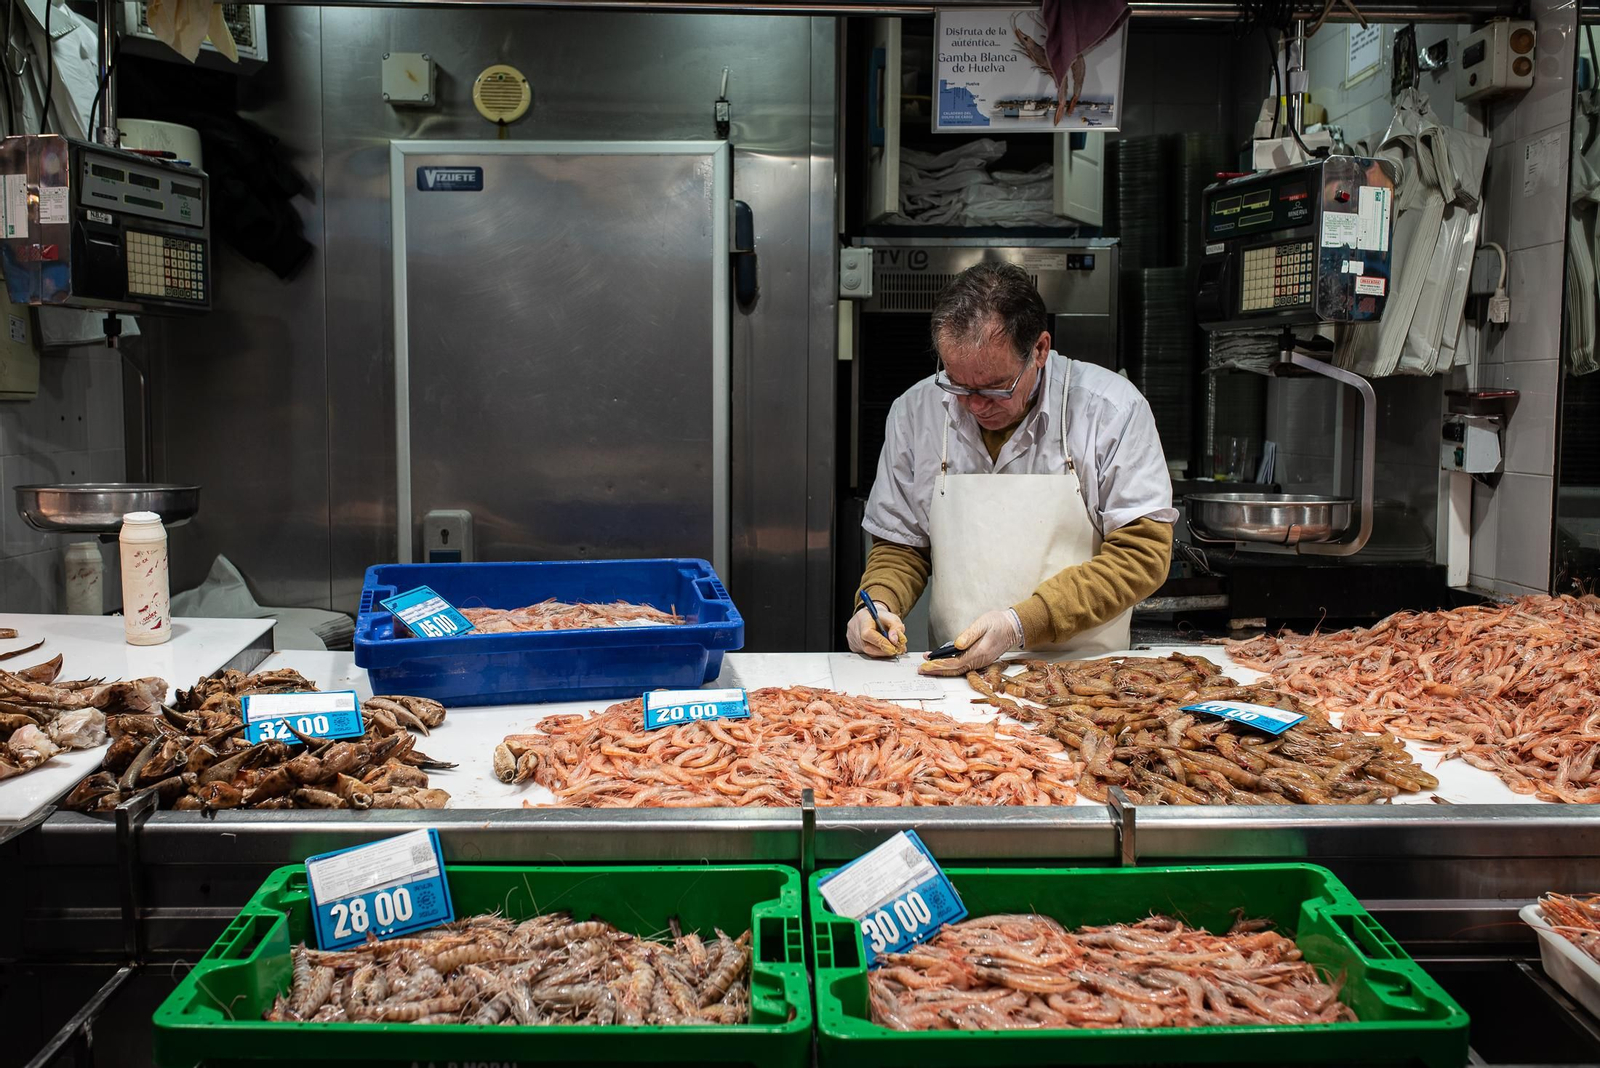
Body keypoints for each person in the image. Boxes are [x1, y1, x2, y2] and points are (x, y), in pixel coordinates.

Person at [846, 261, 1176, 674]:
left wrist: (1020, 624)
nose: (975, 404)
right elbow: (902, 546)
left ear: (1039, 349)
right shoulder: (916, 412)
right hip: (956, 675)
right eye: (958, 384)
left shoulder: (1111, 410)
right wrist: (876, 603)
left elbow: (1142, 555)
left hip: (1087, 679)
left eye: (995, 388)